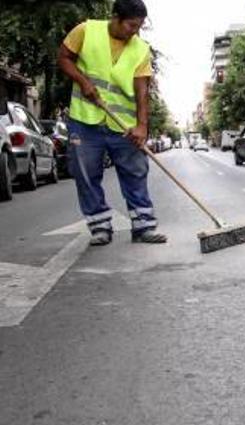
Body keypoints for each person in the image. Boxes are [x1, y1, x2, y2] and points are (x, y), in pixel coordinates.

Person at [57, 0, 165, 246]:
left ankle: (144, 226)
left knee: (135, 172)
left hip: (123, 126)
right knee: (86, 174)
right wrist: (82, 81)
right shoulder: (85, 30)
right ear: (115, 17)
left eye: (139, 27)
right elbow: (63, 58)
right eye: (130, 25)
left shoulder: (140, 49)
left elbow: (141, 90)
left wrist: (142, 126)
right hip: (85, 120)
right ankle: (100, 226)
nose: (134, 32)